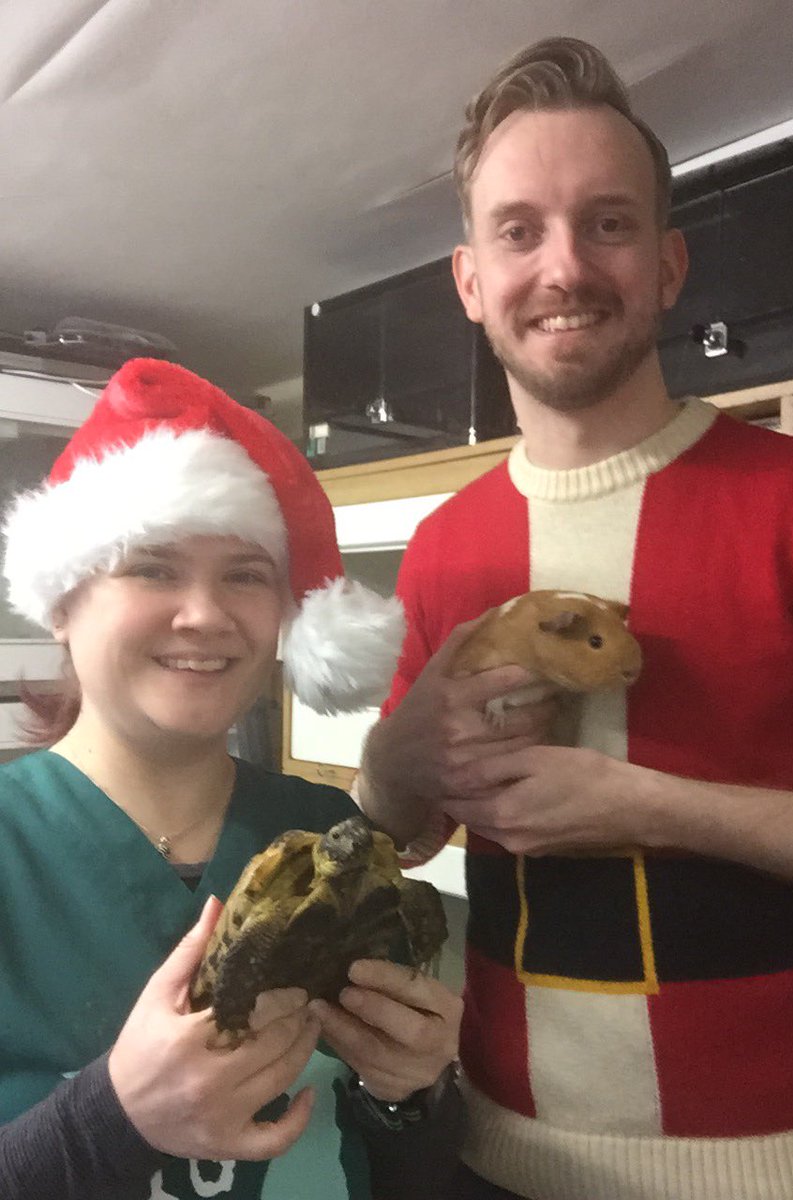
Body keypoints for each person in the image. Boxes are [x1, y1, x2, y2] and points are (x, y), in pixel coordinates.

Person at [354, 35, 793, 1200]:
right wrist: (389, 759)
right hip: (491, 1149)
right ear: (468, 281)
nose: (563, 267)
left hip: (774, 1169)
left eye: (607, 223)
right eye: (519, 230)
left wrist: (650, 807)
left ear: (666, 263)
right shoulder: (446, 548)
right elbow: (400, 831)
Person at [0, 357, 463, 1200]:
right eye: (153, 567)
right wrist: (113, 1116)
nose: (207, 614)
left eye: (246, 575)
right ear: (63, 602)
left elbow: (400, 1174)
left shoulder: (332, 839)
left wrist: (411, 1097)